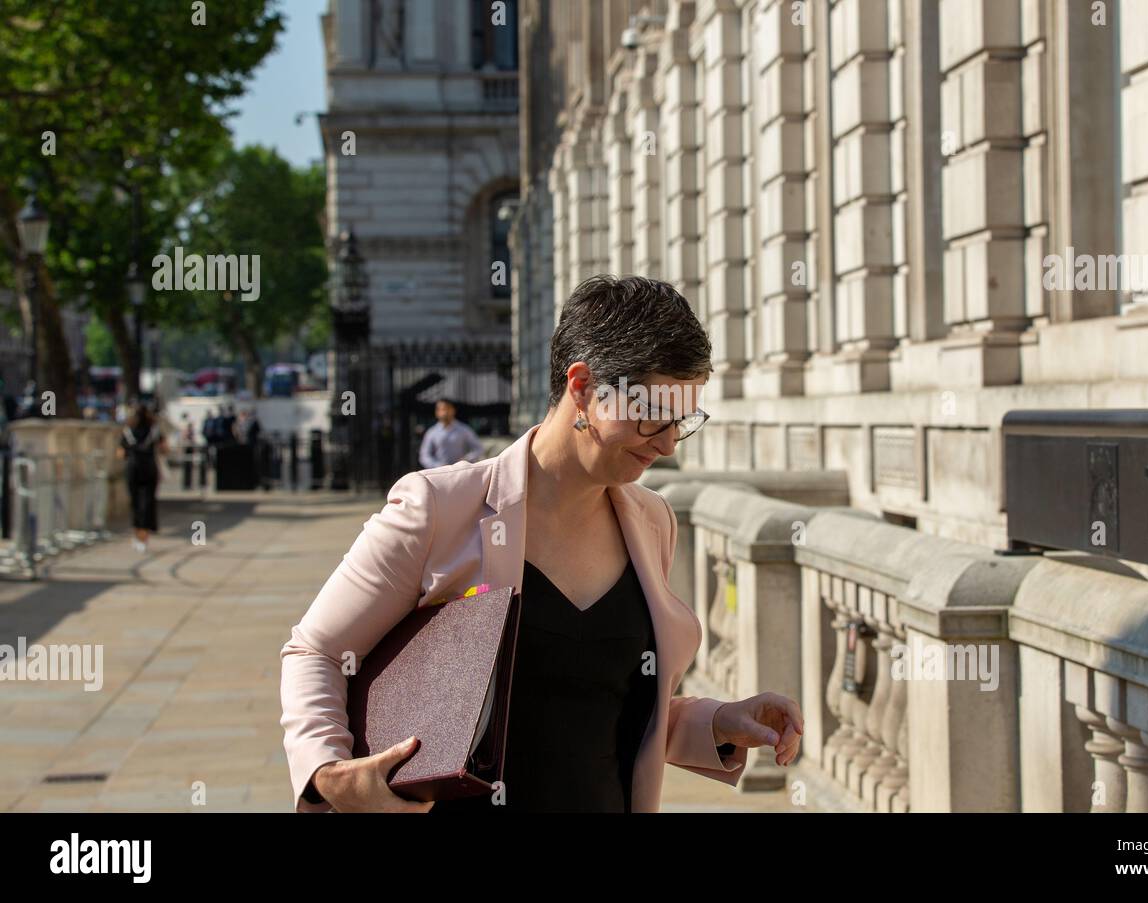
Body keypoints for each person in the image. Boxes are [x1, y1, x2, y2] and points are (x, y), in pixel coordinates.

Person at [280, 275, 804, 813]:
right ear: (582, 387)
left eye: (683, 421)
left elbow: (608, 702)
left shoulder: (653, 521)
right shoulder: (438, 508)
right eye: (653, 418)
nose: (668, 445)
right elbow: (316, 651)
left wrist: (718, 721)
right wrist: (328, 772)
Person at [116, 402, 168, 553]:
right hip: (150, 468)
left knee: (135, 502)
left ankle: (137, 534)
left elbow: (120, 453)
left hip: (133, 468)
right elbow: (165, 448)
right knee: (148, 502)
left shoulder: (128, 431)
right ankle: (144, 537)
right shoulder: (154, 430)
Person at [416, 399, 484, 469]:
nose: (444, 412)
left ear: (453, 410)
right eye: (441, 409)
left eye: (447, 408)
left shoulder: (464, 430)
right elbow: (424, 456)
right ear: (436, 412)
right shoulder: (431, 432)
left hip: (460, 470)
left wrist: (466, 459)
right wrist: (437, 465)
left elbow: (478, 449)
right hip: (438, 473)